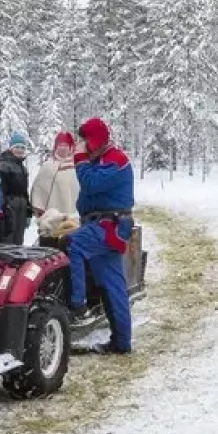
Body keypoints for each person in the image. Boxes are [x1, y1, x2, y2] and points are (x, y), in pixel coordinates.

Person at [67, 117, 134, 354]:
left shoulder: (116, 159)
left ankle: (78, 304)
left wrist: (80, 159)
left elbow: (91, 184)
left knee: (74, 244)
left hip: (110, 224)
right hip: (102, 223)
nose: (83, 145)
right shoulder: (102, 159)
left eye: (86, 141)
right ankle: (121, 342)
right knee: (112, 284)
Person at [30, 129, 81, 225]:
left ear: (70, 147)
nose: (63, 148)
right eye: (60, 145)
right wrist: (39, 208)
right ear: (56, 147)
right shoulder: (48, 166)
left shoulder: (77, 166)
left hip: (74, 216)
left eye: (65, 145)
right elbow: (38, 189)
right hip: (51, 217)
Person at [0, 130, 32, 245]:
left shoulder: (22, 168)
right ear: (11, 148)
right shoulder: (4, 165)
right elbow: (1, 190)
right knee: (9, 238)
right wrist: (4, 208)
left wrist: (28, 210)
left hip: (21, 206)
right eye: (17, 147)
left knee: (19, 238)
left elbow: (24, 192)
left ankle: (18, 261)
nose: (20, 150)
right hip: (10, 206)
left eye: (22, 147)